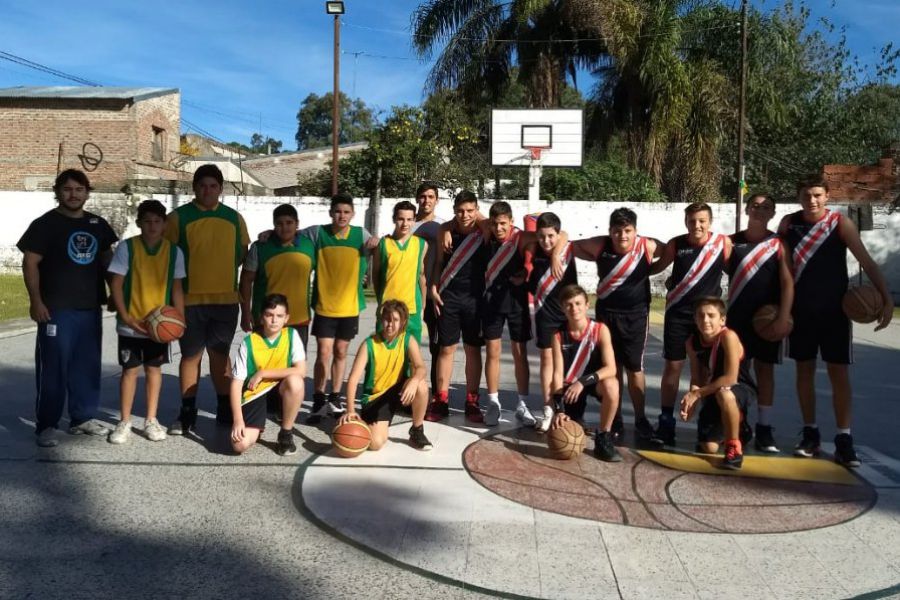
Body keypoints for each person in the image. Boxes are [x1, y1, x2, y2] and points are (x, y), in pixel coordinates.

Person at [778, 176, 893, 466]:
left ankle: (844, 439)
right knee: (804, 372)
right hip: (800, 311)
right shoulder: (789, 225)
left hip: (836, 312)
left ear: (827, 195)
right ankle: (810, 434)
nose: (812, 200)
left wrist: (886, 298)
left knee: (838, 375)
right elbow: (780, 268)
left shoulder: (840, 224)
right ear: (799, 196)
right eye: (806, 194)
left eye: (817, 194)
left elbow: (866, 261)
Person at [18, 169, 118, 447]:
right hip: (56, 309)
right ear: (58, 192)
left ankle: (82, 418)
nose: (73, 194)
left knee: (86, 365)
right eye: (67, 189)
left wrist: (114, 294)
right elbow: (30, 263)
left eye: (79, 189)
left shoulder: (98, 224)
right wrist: (36, 301)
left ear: (87, 192)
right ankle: (46, 425)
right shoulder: (45, 224)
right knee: (54, 368)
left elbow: (108, 262)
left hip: (89, 307)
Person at [164, 164, 250, 434]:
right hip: (190, 301)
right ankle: (187, 411)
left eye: (213, 186)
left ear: (221, 189)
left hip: (225, 301)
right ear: (195, 188)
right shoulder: (178, 218)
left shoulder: (234, 219)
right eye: (202, 185)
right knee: (191, 356)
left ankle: (225, 406)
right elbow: (167, 259)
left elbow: (242, 256)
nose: (208, 190)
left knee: (220, 355)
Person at [571, 208, 662, 442]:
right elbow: (571, 246)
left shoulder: (648, 246)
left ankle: (641, 419)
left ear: (636, 231)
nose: (622, 236)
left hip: (636, 316)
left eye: (628, 231)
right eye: (617, 231)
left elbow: (670, 251)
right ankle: (616, 419)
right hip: (607, 316)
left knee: (635, 368)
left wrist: (653, 269)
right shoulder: (600, 245)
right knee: (613, 367)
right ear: (610, 232)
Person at [650, 202, 732, 447]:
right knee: (672, 368)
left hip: (707, 319)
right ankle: (666, 421)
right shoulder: (677, 244)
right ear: (686, 222)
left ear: (710, 222)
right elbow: (657, 267)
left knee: (707, 370)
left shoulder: (721, 244)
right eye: (692, 221)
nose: (697, 225)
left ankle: (706, 422)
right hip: (678, 314)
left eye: (702, 221)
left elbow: (735, 270)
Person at [107, 200, 186, 444]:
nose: (152, 226)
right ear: (139, 223)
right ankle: (124, 421)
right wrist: (127, 317)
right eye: (147, 221)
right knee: (130, 371)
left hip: (158, 326)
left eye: (157, 221)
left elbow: (177, 289)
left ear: (164, 224)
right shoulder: (127, 248)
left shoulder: (174, 251)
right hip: (131, 322)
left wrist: (180, 320)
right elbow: (116, 284)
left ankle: (151, 419)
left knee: (154, 370)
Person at [302, 193, 377, 424]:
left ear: (352, 214)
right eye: (337, 211)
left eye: (346, 212)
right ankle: (318, 397)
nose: (341, 215)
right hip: (325, 306)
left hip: (349, 307)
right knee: (323, 353)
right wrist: (268, 234)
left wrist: (377, 243)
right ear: (330, 212)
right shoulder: (317, 233)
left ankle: (335, 397)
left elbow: (381, 247)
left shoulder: (360, 235)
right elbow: (289, 233)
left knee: (341, 352)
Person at [727, 194, 793, 453]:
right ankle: (738, 423)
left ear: (772, 213)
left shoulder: (778, 244)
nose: (760, 210)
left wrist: (783, 316)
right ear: (746, 209)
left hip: (767, 318)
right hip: (736, 318)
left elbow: (788, 283)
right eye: (755, 206)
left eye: (766, 207)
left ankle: (764, 429)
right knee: (736, 373)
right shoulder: (732, 242)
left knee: (766, 372)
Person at [338, 300, 433, 451]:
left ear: (403, 322)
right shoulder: (369, 344)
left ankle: (417, 429)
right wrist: (350, 410)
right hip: (376, 398)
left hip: (398, 391)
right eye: (387, 319)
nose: (390, 324)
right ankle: (368, 423)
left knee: (421, 385)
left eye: (395, 320)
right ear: (382, 320)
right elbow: (353, 380)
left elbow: (421, 367)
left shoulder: (407, 340)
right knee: (375, 443)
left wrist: (414, 380)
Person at [426, 190, 487, 423]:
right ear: (454, 211)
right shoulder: (445, 231)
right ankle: (441, 400)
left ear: (477, 209)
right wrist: (433, 287)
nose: (465, 215)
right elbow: (439, 263)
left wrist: (455, 223)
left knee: (473, 350)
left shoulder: (484, 229)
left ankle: (472, 401)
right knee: (446, 349)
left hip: (475, 299)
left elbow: (490, 222)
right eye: (460, 211)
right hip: (448, 297)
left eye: (470, 210)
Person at [680, 297, 757, 470]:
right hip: (712, 391)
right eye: (700, 316)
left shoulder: (728, 336)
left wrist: (698, 394)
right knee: (709, 447)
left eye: (711, 315)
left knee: (725, 393)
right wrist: (691, 401)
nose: (705, 320)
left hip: (739, 388)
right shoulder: (692, 343)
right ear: (695, 319)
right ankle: (737, 427)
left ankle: (734, 447)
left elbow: (731, 378)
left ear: (722, 319)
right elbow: (697, 377)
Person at [548, 285, 622, 462]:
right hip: (570, 390)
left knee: (612, 384)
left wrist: (582, 382)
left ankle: (604, 437)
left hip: (589, 384)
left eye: (578, 303)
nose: (574, 308)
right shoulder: (558, 335)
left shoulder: (599, 330)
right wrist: (558, 409)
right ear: (562, 308)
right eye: (569, 304)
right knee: (566, 432)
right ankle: (576, 419)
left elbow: (611, 368)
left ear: (587, 305)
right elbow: (557, 374)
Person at [229, 294, 306, 456]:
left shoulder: (291, 335)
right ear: (261, 317)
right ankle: (255, 428)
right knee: (239, 445)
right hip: (255, 392)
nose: (274, 320)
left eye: (279, 316)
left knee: (296, 382)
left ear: (286, 318)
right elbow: (236, 384)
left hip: (279, 389)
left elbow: (301, 370)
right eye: (269, 315)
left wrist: (263, 373)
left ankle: (285, 434)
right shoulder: (249, 342)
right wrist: (238, 419)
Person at [526, 212, 578, 432]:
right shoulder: (534, 248)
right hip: (545, 313)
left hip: (569, 314)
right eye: (541, 236)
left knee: (570, 364)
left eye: (550, 236)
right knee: (547, 361)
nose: (546, 241)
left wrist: (556, 255)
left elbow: (565, 234)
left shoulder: (567, 248)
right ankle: (548, 408)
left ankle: (570, 411)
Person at [240, 203, 316, 349]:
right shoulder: (259, 247)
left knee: (295, 369)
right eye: (279, 224)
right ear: (273, 225)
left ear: (297, 224)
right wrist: (245, 313)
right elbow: (245, 280)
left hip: (299, 319)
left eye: (289, 223)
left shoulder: (310, 245)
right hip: (267, 319)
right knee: (265, 367)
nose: (285, 227)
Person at [372, 201, 428, 344]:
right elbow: (376, 275)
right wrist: (381, 301)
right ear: (394, 219)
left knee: (411, 357)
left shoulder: (421, 244)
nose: (405, 223)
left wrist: (423, 305)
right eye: (401, 219)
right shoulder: (383, 245)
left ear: (414, 220)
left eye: (409, 219)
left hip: (411, 310)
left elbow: (421, 276)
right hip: (387, 308)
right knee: (385, 355)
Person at [410, 182, 445, 392]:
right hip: (410, 294)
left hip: (434, 294)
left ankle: (435, 393)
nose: (426, 200)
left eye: (431, 196)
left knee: (436, 347)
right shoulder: (407, 225)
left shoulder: (445, 226)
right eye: (423, 196)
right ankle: (404, 390)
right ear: (417, 199)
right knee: (406, 346)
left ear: (437, 200)